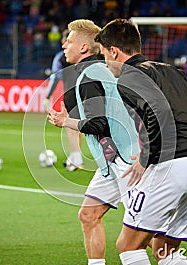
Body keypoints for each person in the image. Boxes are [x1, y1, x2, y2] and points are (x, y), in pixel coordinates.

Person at [95, 18, 187, 265]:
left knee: (128, 245)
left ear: (114, 51)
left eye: (103, 55)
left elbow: (159, 113)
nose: (104, 62)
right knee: (164, 248)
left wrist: (146, 158)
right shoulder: (173, 71)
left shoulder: (129, 78)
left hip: (173, 166)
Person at [48, 19, 140, 265]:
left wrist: (64, 122)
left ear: (85, 48)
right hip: (110, 161)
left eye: (69, 40)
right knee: (88, 215)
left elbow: (100, 123)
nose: (64, 45)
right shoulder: (92, 71)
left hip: (126, 160)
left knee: (144, 234)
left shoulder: (90, 74)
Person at [44, 28, 84, 171]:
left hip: (72, 95)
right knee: (76, 127)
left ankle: (76, 159)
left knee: (71, 126)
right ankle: (74, 157)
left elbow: (55, 77)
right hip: (84, 94)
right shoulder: (84, 56)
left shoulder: (62, 57)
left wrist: (47, 97)